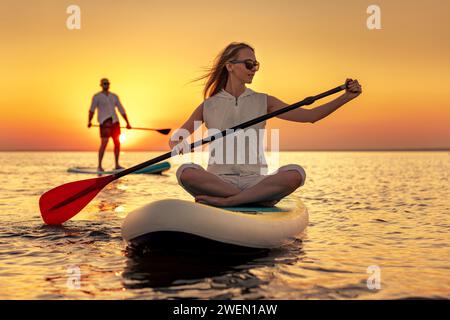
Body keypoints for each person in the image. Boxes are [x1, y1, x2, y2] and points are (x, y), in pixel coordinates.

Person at [170, 42, 362, 207]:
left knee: (296, 173)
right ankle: (255, 199)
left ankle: (229, 201)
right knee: (185, 171)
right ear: (229, 66)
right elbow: (179, 136)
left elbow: (310, 116)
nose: (253, 69)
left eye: (256, 65)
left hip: (254, 181)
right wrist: (177, 143)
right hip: (218, 181)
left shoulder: (264, 101)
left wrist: (346, 97)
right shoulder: (208, 105)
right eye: (249, 64)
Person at [88, 78, 131, 172]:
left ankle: (117, 165)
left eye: (107, 83)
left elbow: (121, 109)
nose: (106, 85)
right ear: (101, 85)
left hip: (115, 122)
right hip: (104, 123)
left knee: (117, 143)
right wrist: (89, 121)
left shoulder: (114, 96)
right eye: (104, 83)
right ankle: (99, 166)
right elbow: (92, 110)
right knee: (104, 143)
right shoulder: (97, 96)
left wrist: (127, 122)